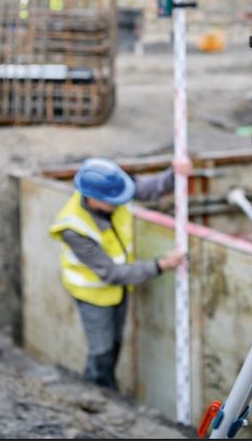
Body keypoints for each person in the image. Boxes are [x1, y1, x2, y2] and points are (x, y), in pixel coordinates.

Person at [49, 157, 190, 390]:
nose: (120, 204)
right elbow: (112, 273)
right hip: (93, 295)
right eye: (113, 202)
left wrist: (173, 176)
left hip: (119, 290)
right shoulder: (73, 228)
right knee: (101, 350)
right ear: (92, 199)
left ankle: (108, 390)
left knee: (114, 344)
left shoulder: (112, 192)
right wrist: (159, 266)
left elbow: (145, 189)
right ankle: (96, 394)